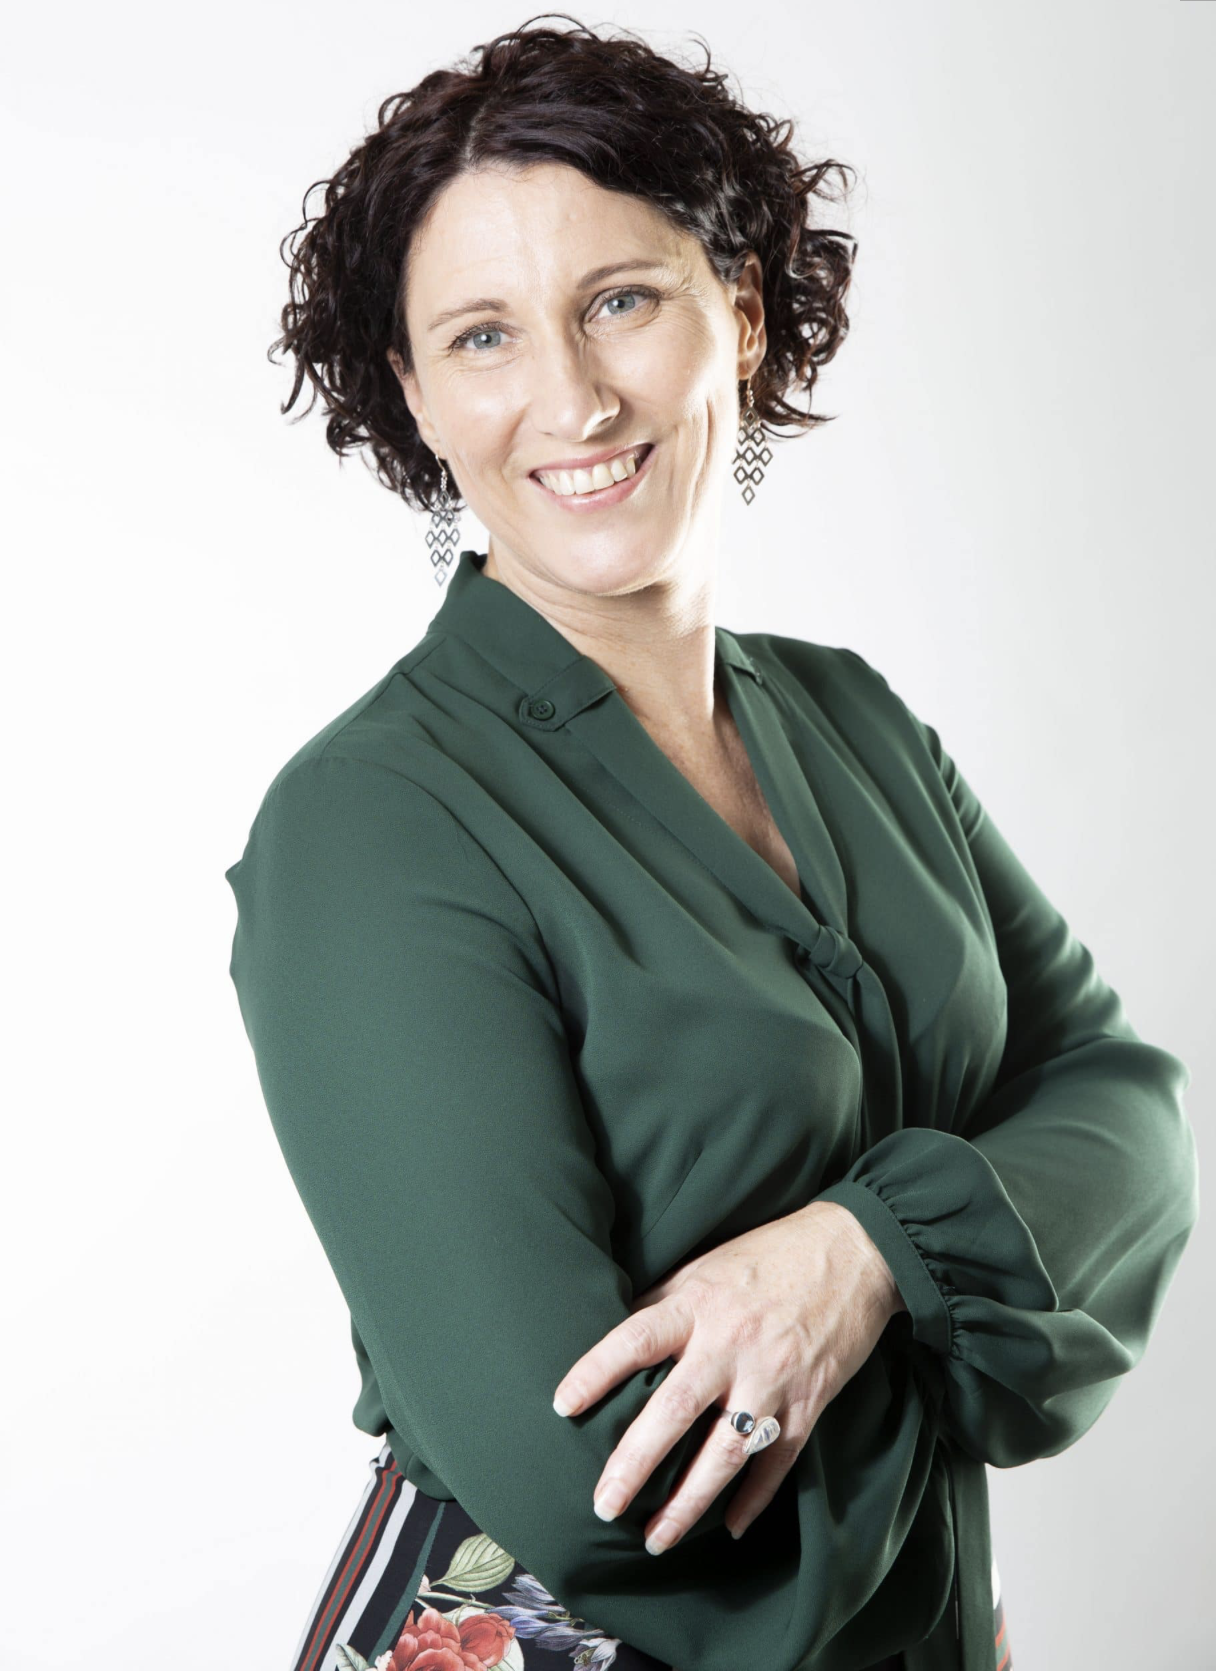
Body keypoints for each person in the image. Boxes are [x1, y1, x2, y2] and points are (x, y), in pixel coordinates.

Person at [223, 17, 1198, 1671]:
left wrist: (863, 1256)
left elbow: (1133, 1113)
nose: (573, 396)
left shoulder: (856, 722)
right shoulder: (371, 827)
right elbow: (590, 1487)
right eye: (482, 335)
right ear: (417, 395)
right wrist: (984, 1275)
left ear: (738, 309)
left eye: (620, 299)